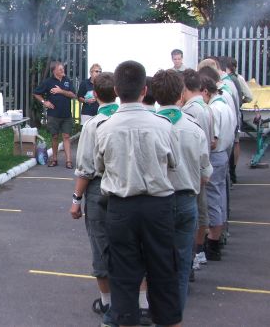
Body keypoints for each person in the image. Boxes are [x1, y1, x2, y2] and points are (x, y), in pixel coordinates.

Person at [95, 60, 181, 327]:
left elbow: (100, 167)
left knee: (122, 277)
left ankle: (126, 319)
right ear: (145, 90)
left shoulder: (104, 128)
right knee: (164, 275)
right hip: (158, 206)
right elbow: (174, 163)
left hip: (121, 208)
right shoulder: (163, 125)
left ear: (117, 91)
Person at [151, 69, 212, 312]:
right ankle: (174, 315)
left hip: (157, 200)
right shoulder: (194, 128)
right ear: (181, 94)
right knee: (182, 262)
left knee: (154, 260)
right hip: (187, 199)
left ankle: (154, 311)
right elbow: (206, 174)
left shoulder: (150, 127)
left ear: (155, 96)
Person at [70, 71, 118, 325]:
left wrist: (76, 199)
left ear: (95, 95)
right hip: (128, 191)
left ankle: (108, 303)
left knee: (101, 246)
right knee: (130, 247)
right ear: (118, 93)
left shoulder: (93, 125)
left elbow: (86, 168)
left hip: (100, 190)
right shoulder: (129, 118)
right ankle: (142, 305)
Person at [181, 69, 214, 274]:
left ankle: (193, 256)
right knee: (200, 212)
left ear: (184, 88)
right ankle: (198, 253)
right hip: (202, 166)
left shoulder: (192, 110)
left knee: (194, 216)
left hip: (193, 169)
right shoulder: (205, 106)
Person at [200, 75, 235, 261]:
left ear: (205, 91)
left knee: (212, 198)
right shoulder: (225, 105)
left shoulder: (213, 109)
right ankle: (218, 236)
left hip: (215, 155)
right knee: (219, 195)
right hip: (224, 154)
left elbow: (213, 141)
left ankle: (213, 241)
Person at [33, 61, 76, 169]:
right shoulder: (48, 82)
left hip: (66, 115)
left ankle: (69, 161)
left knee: (66, 136)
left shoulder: (67, 81)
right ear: (54, 71)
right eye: (60, 69)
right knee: (55, 136)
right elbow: (36, 93)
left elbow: (73, 95)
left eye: (63, 69)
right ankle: (55, 159)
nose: (63, 71)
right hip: (53, 115)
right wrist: (44, 102)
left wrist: (61, 91)